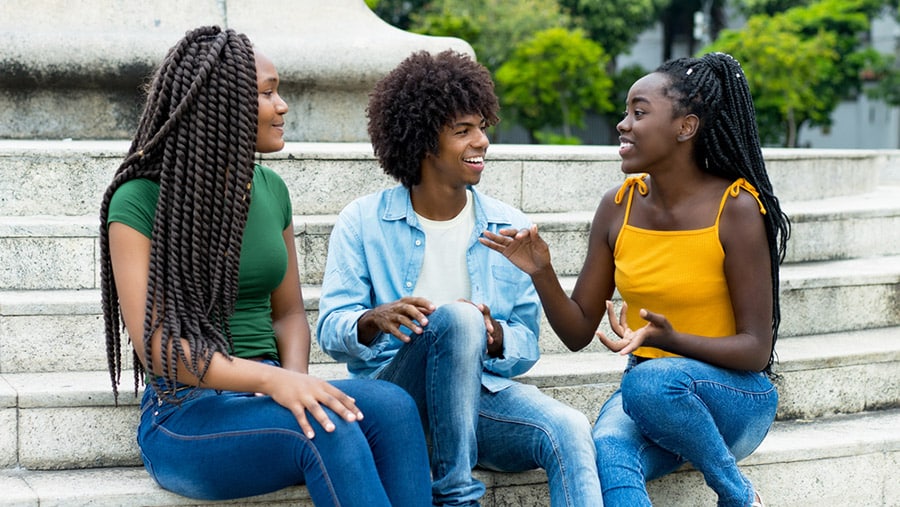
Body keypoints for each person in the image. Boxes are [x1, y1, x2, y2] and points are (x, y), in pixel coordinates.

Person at [98, 26, 431, 506]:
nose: (283, 105)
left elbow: (289, 314)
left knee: (395, 408)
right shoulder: (139, 200)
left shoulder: (270, 189)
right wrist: (272, 383)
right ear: (222, 105)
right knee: (325, 429)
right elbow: (159, 348)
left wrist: (293, 381)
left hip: (270, 387)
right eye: (267, 93)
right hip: (187, 413)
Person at [481, 52, 791, 507]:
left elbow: (755, 349)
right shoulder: (617, 206)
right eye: (626, 112)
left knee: (647, 382)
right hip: (652, 395)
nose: (623, 124)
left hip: (736, 397)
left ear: (685, 127)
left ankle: (739, 497)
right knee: (607, 445)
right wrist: (542, 272)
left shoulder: (737, 207)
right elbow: (577, 331)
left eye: (639, 113)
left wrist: (671, 338)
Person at [316, 50, 603, 506]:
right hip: (397, 401)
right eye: (463, 131)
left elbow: (527, 343)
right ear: (424, 142)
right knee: (458, 318)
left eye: (482, 127)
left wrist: (493, 338)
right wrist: (373, 319)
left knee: (569, 428)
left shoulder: (508, 227)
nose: (482, 141)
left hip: (480, 397)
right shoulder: (364, 221)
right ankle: (457, 496)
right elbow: (331, 331)